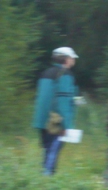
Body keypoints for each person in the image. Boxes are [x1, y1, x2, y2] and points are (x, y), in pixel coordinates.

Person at [32, 47, 79, 175]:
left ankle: (44, 177)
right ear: (66, 59)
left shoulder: (45, 73)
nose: (73, 60)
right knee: (52, 153)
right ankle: (46, 179)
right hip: (56, 122)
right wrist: (67, 126)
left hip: (42, 120)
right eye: (72, 58)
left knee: (47, 150)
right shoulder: (66, 75)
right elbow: (63, 101)